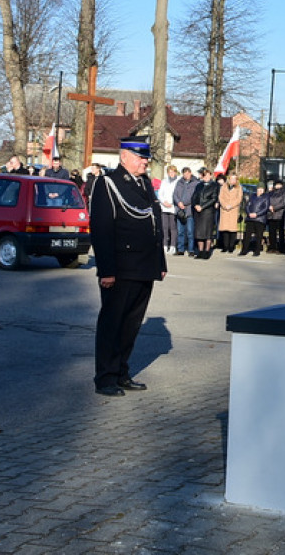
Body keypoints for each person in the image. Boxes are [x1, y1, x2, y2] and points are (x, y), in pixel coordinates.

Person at [89, 136, 166, 397]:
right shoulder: (108, 183)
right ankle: (105, 378)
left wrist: (160, 263)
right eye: (140, 157)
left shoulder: (144, 183)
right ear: (124, 157)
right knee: (113, 324)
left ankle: (122, 372)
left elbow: (155, 224)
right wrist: (106, 270)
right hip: (120, 268)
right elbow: (101, 230)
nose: (145, 161)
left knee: (131, 324)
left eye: (146, 157)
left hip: (144, 266)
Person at [191, 167, 219, 259]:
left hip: (208, 212)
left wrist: (202, 206)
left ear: (210, 175)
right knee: (199, 233)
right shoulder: (199, 185)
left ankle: (207, 252)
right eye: (204, 175)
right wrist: (195, 205)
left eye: (207, 175)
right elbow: (194, 197)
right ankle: (200, 251)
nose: (206, 177)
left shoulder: (214, 185)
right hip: (198, 212)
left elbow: (213, 198)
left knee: (207, 233)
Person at [172, 167, 199, 257]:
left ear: (190, 173)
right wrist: (178, 202)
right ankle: (180, 249)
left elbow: (194, 196)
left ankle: (191, 249)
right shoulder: (179, 183)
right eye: (184, 173)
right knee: (180, 231)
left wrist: (185, 203)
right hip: (180, 210)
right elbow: (175, 194)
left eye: (187, 173)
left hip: (189, 210)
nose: (186, 175)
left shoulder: (195, 183)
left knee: (190, 232)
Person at [217, 172, 243, 253]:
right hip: (224, 210)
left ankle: (231, 246)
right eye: (231, 178)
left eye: (234, 179)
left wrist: (231, 205)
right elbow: (220, 197)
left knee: (232, 230)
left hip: (233, 210)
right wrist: (225, 205)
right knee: (225, 229)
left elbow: (239, 199)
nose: (232, 180)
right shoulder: (223, 187)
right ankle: (225, 246)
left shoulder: (239, 188)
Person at [157, 165, 180, 255]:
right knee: (164, 227)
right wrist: (163, 202)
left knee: (173, 228)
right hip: (164, 207)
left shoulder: (178, 181)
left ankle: (173, 246)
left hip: (173, 207)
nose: (172, 174)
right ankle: (165, 245)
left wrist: (172, 203)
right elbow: (160, 194)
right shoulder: (164, 181)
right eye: (170, 172)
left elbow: (177, 194)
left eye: (173, 172)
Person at [240, 183, 269, 256]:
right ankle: (244, 250)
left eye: (261, 189)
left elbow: (265, 208)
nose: (260, 190)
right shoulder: (252, 196)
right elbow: (247, 206)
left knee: (259, 235)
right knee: (247, 235)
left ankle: (257, 250)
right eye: (259, 189)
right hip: (250, 218)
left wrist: (257, 214)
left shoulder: (266, 197)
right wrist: (249, 213)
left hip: (260, 219)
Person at [266, 180, 285, 253]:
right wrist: (269, 206)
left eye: (279, 185)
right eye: (276, 184)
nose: (277, 186)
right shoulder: (270, 193)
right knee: (271, 232)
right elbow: (266, 200)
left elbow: (284, 203)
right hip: (271, 214)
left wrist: (274, 208)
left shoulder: (284, 193)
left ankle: (281, 248)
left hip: (280, 214)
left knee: (281, 232)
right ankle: (272, 247)